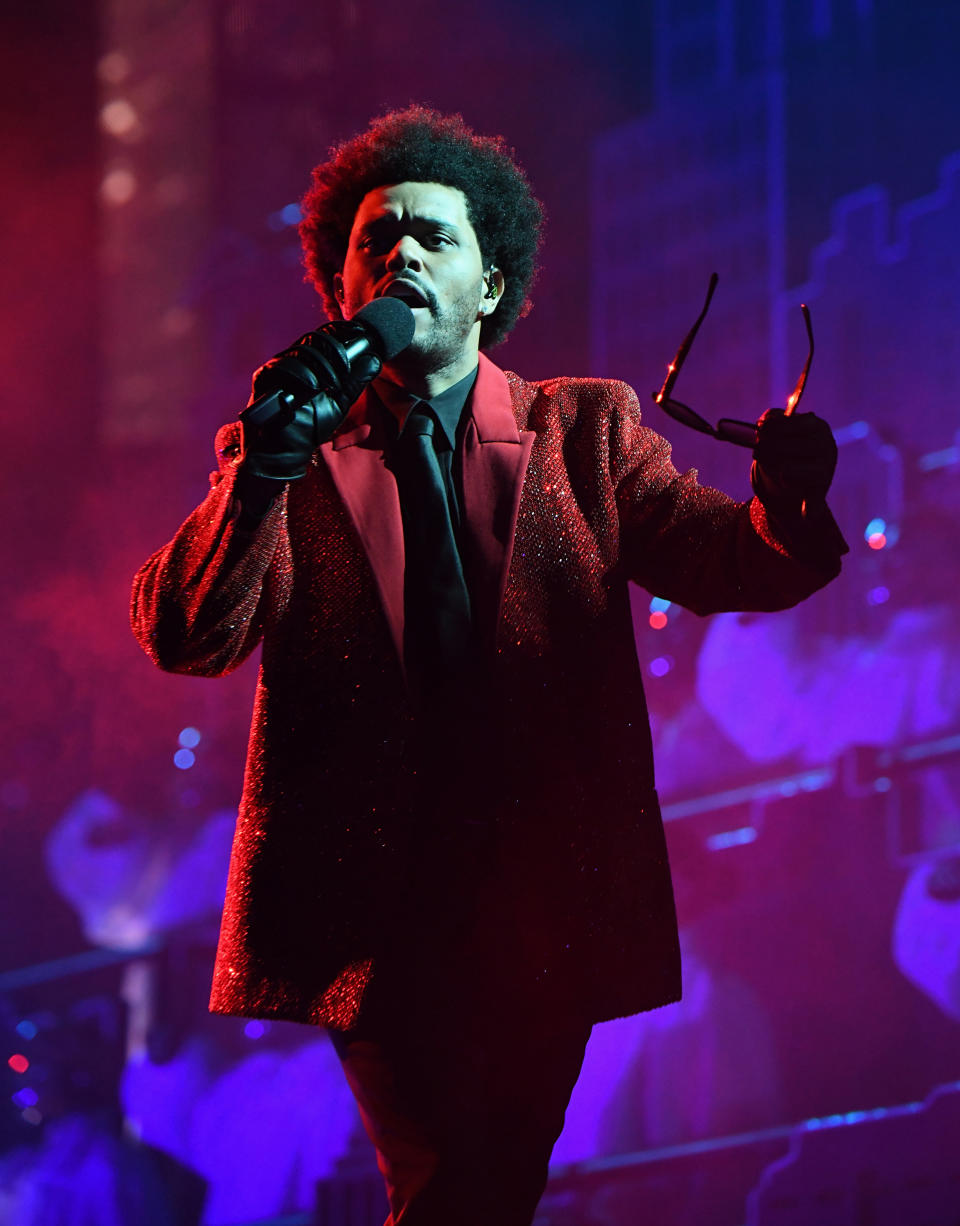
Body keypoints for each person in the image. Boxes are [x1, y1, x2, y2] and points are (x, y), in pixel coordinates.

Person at [131, 106, 847, 1225]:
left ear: (493, 285)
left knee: (482, 1183)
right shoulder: (288, 449)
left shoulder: (587, 432)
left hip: (541, 895)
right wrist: (260, 469)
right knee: (454, 1177)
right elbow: (187, 633)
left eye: (433, 236)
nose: (401, 253)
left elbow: (731, 562)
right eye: (375, 240)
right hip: (370, 903)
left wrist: (789, 501)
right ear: (341, 286)